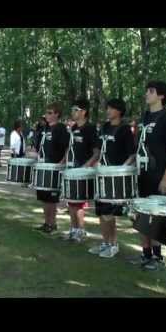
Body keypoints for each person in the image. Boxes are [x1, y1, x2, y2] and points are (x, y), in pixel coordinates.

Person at [131, 81, 166, 270]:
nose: (146, 94)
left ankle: (158, 258)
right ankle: (145, 254)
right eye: (147, 91)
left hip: (159, 176)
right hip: (142, 175)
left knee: (156, 219)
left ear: (161, 96)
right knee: (141, 217)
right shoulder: (144, 117)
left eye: (150, 91)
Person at [88, 98, 136, 258]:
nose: (107, 111)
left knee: (109, 213)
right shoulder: (105, 127)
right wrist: (95, 163)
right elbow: (99, 150)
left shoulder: (125, 130)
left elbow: (132, 154)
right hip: (101, 173)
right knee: (101, 211)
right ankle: (105, 243)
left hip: (114, 176)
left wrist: (121, 170)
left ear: (119, 111)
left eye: (111, 108)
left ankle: (113, 244)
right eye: (107, 108)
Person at [64, 98, 100, 242]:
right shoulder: (73, 129)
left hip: (83, 170)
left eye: (75, 109)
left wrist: (86, 167)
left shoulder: (90, 129)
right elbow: (69, 148)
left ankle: (81, 231)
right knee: (70, 201)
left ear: (84, 112)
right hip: (72, 168)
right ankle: (73, 230)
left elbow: (96, 152)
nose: (72, 112)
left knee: (78, 203)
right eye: (72, 109)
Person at [34, 103, 70, 234]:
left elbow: (67, 147)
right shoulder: (44, 128)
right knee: (44, 197)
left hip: (54, 167)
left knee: (52, 199)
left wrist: (62, 162)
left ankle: (53, 224)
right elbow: (40, 147)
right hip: (43, 166)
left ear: (57, 114)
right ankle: (46, 223)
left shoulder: (60, 128)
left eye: (50, 113)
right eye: (46, 112)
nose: (47, 115)